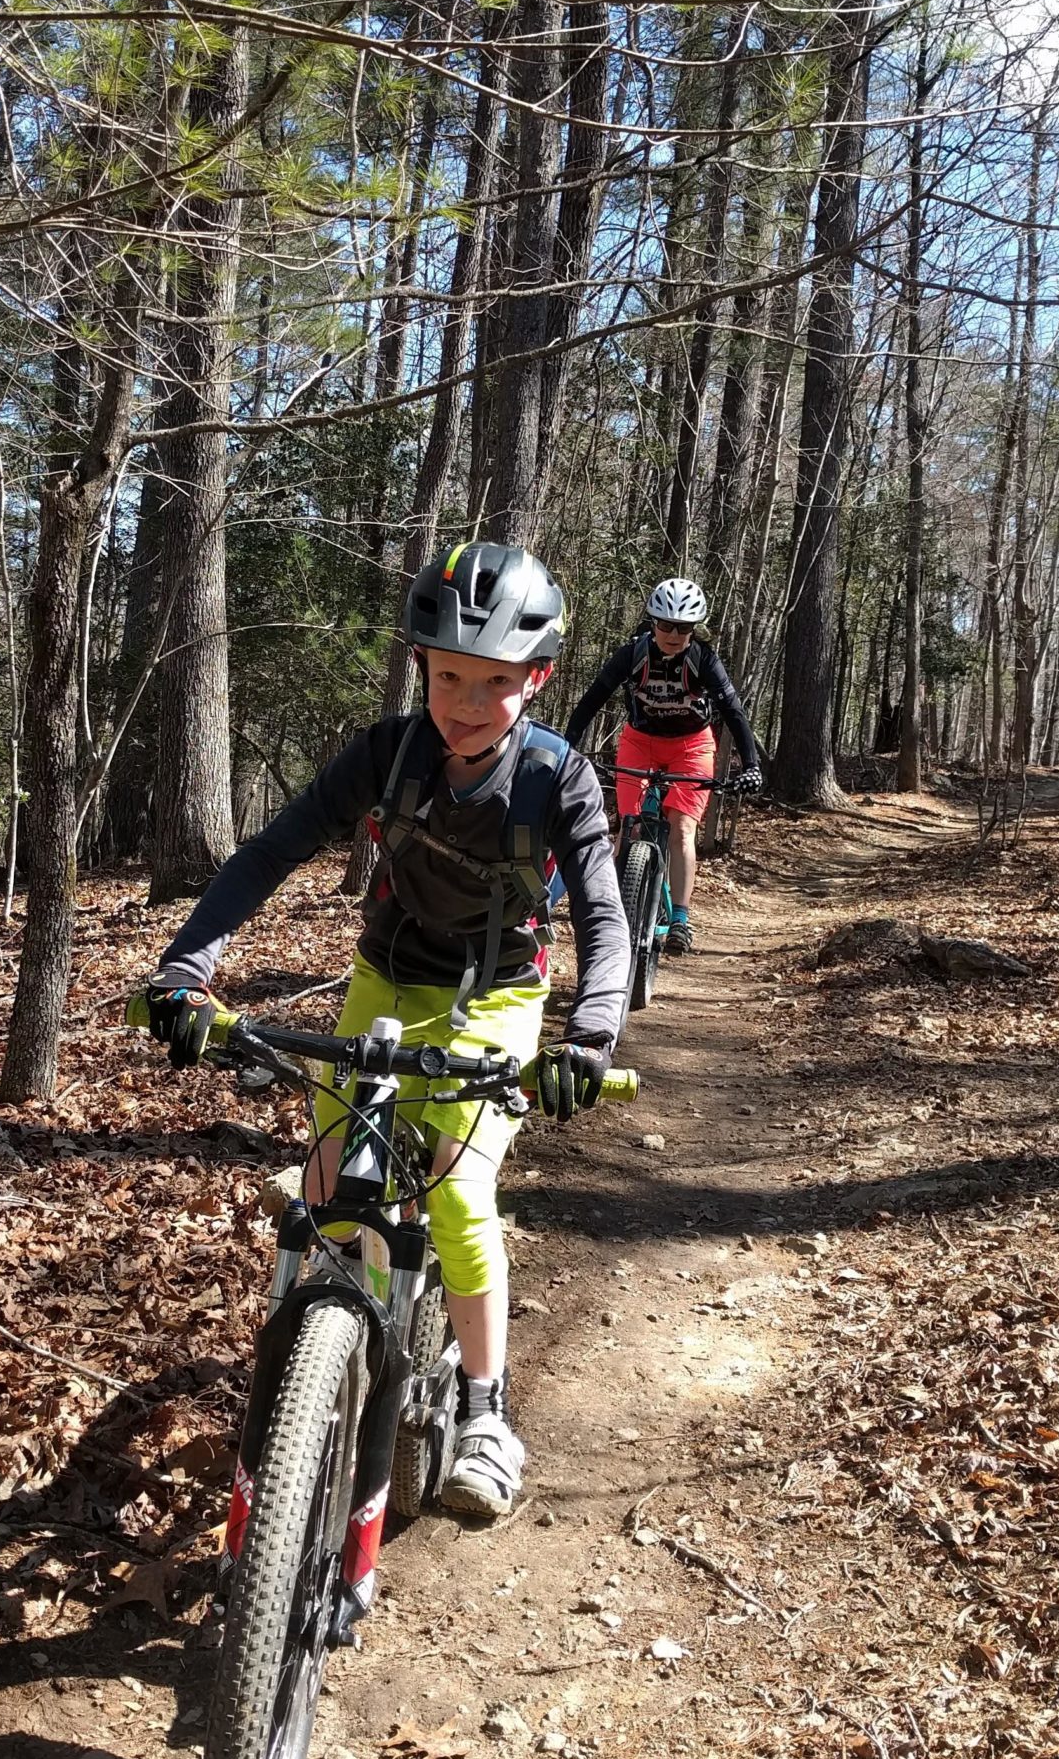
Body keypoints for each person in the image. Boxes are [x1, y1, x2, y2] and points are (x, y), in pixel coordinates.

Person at [138, 542, 630, 1522]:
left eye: (496, 681)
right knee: (330, 1177)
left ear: (535, 680)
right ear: (422, 666)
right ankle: (337, 1346)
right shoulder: (388, 753)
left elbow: (607, 921)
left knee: (459, 1181)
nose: (468, 700)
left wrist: (588, 1042)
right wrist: (188, 965)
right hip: (389, 975)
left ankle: (486, 1412)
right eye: (449, 673)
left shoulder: (559, 780)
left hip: (497, 992)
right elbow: (272, 851)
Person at [564, 576, 762, 954]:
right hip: (640, 742)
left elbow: (733, 712)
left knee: (682, 830)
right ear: (653, 622)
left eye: (684, 627)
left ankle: (681, 920)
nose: (674, 634)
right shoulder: (632, 654)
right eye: (666, 624)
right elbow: (592, 700)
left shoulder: (703, 659)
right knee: (629, 823)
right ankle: (616, 907)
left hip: (691, 746)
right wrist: (567, 746)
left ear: (694, 628)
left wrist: (751, 764)